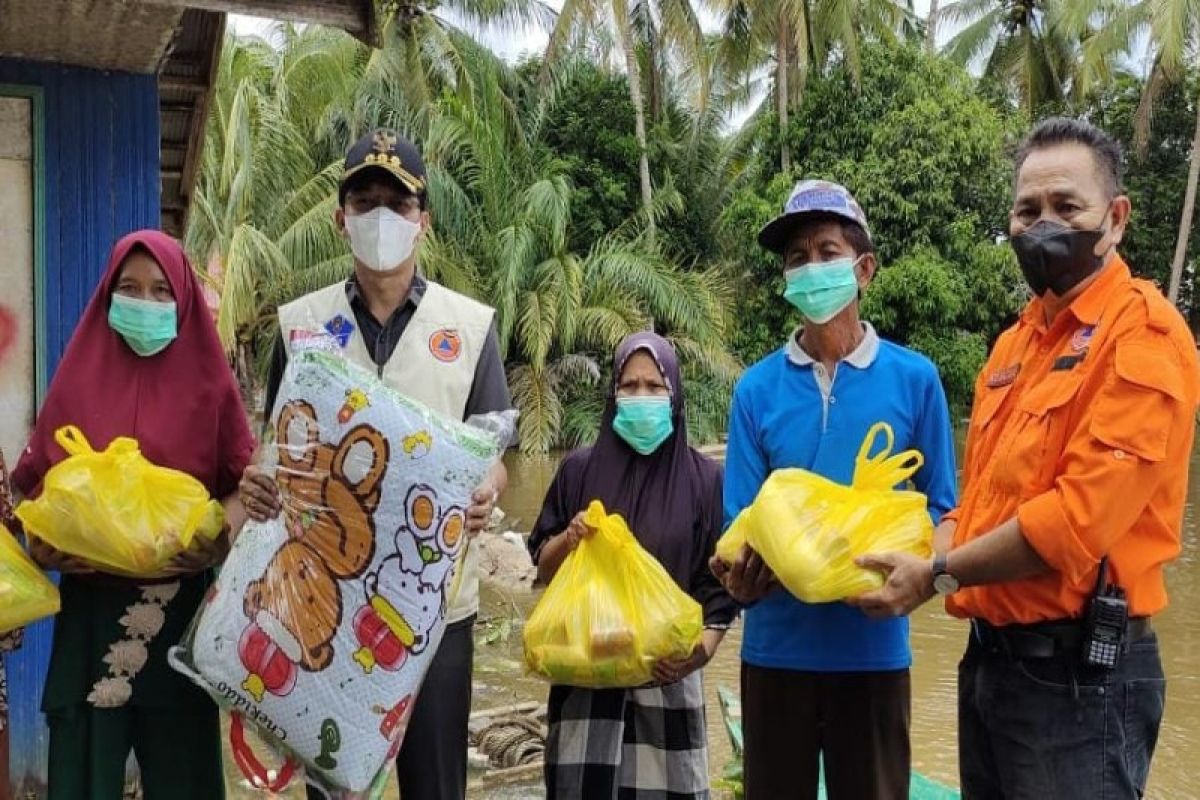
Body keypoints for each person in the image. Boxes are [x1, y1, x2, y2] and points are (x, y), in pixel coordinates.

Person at [853, 117, 1200, 799]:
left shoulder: (1146, 335)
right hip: (991, 664)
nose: (1044, 225)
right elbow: (975, 501)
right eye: (1027, 209)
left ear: (1116, 218)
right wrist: (915, 552)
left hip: (1080, 681)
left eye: (1066, 207)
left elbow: (1076, 522)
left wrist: (937, 573)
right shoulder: (1015, 344)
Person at [239, 128, 512, 800]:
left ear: (423, 220)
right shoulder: (301, 326)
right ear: (341, 220)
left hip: (437, 607)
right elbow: (277, 451)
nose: (381, 216)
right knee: (333, 781)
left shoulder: (470, 327)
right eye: (365, 201)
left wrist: (486, 488)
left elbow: (492, 453)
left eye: (398, 201)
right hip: (324, 600)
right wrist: (257, 483)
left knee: (435, 783)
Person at [711, 180, 958, 800]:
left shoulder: (915, 379)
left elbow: (943, 508)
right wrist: (733, 576)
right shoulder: (755, 391)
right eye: (797, 258)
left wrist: (923, 578)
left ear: (863, 269)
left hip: (872, 655)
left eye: (827, 251)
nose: (812, 268)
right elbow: (740, 519)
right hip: (775, 653)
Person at [12, 230, 255, 800]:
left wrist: (219, 539)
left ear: (185, 302)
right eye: (129, 288)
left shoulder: (209, 386)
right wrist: (43, 547)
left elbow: (242, 489)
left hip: (178, 616)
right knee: (83, 773)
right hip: (91, 616)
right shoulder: (76, 380)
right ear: (107, 296)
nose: (144, 303)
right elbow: (35, 499)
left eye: (160, 291)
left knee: (184, 774)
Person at [528, 331, 737, 799]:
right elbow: (543, 566)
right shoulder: (579, 472)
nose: (641, 396)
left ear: (675, 394)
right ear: (613, 393)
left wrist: (697, 654)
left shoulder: (705, 482)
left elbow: (719, 588)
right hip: (586, 674)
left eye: (654, 386)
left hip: (668, 680)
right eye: (630, 385)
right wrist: (572, 536)